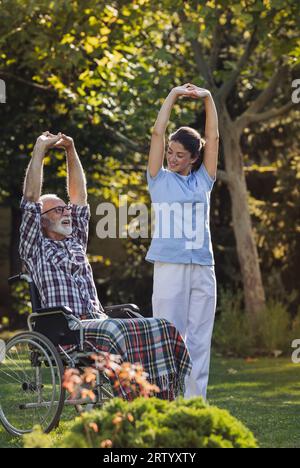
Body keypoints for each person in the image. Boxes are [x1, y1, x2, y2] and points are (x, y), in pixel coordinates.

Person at [19, 131, 192, 400]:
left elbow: (80, 198)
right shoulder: (35, 247)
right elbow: (30, 198)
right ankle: (132, 397)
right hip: (67, 328)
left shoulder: (75, 241)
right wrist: (40, 148)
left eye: (65, 209)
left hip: (96, 321)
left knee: (162, 325)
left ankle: (165, 395)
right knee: (116, 328)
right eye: (58, 210)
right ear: (41, 221)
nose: (66, 213)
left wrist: (71, 149)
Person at [146, 83, 219, 399]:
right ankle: (164, 400)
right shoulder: (158, 179)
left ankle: (195, 405)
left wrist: (208, 98)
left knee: (200, 340)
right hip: (170, 266)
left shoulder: (204, 180)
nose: (172, 159)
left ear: (193, 159)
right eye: (170, 154)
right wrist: (173, 95)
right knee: (167, 336)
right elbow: (157, 134)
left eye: (179, 156)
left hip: (203, 266)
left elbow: (213, 138)